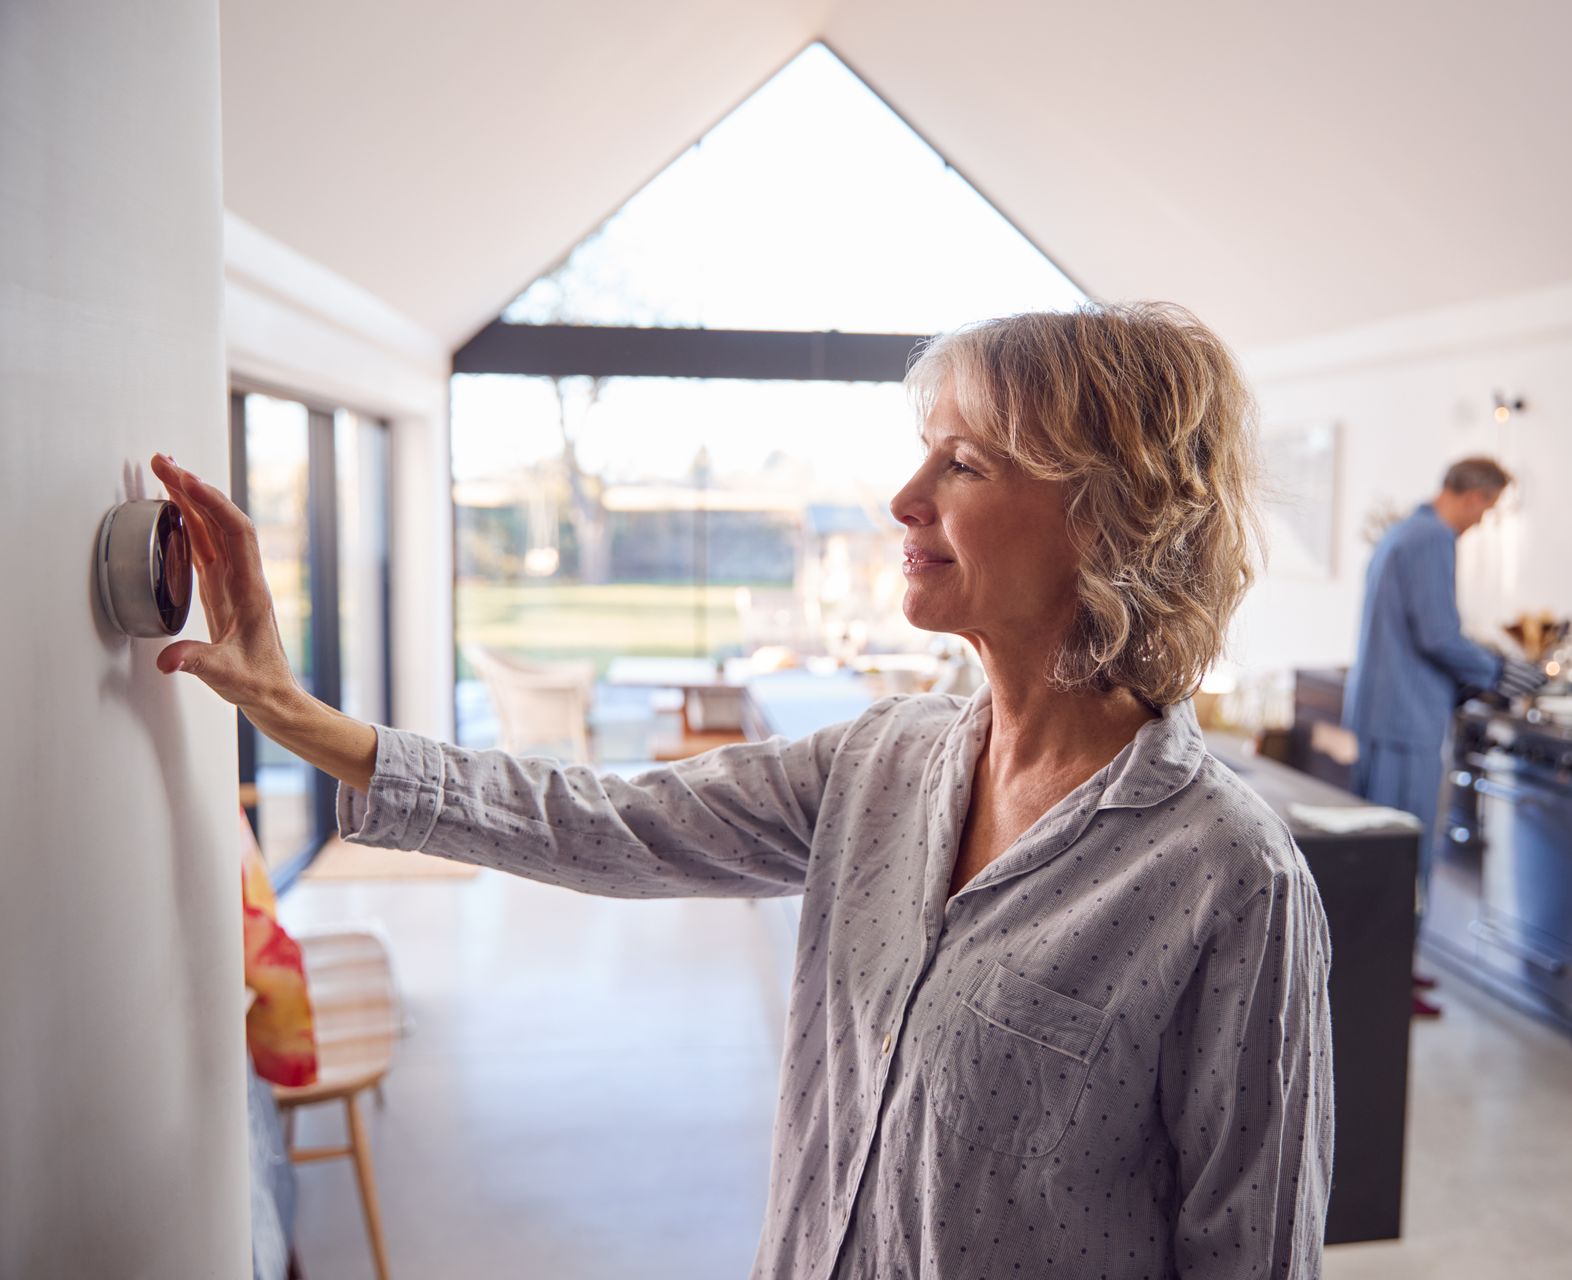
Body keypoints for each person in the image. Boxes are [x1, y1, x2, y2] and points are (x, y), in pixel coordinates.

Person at [151, 302, 1335, 1279]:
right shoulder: (884, 760)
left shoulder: (1227, 879)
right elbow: (604, 820)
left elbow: (1253, 1257)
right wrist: (306, 722)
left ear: (1107, 518)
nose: (904, 496)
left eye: (963, 462)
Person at [1341, 457, 1543, 1018]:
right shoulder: (1432, 539)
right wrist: (1500, 671)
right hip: (1405, 721)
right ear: (1476, 498)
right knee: (1404, 855)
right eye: (1490, 509)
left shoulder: (1402, 533)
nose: (1485, 522)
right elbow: (1437, 634)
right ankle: (1386, 984)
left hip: (1382, 714)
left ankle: (1389, 970)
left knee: (1386, 850)